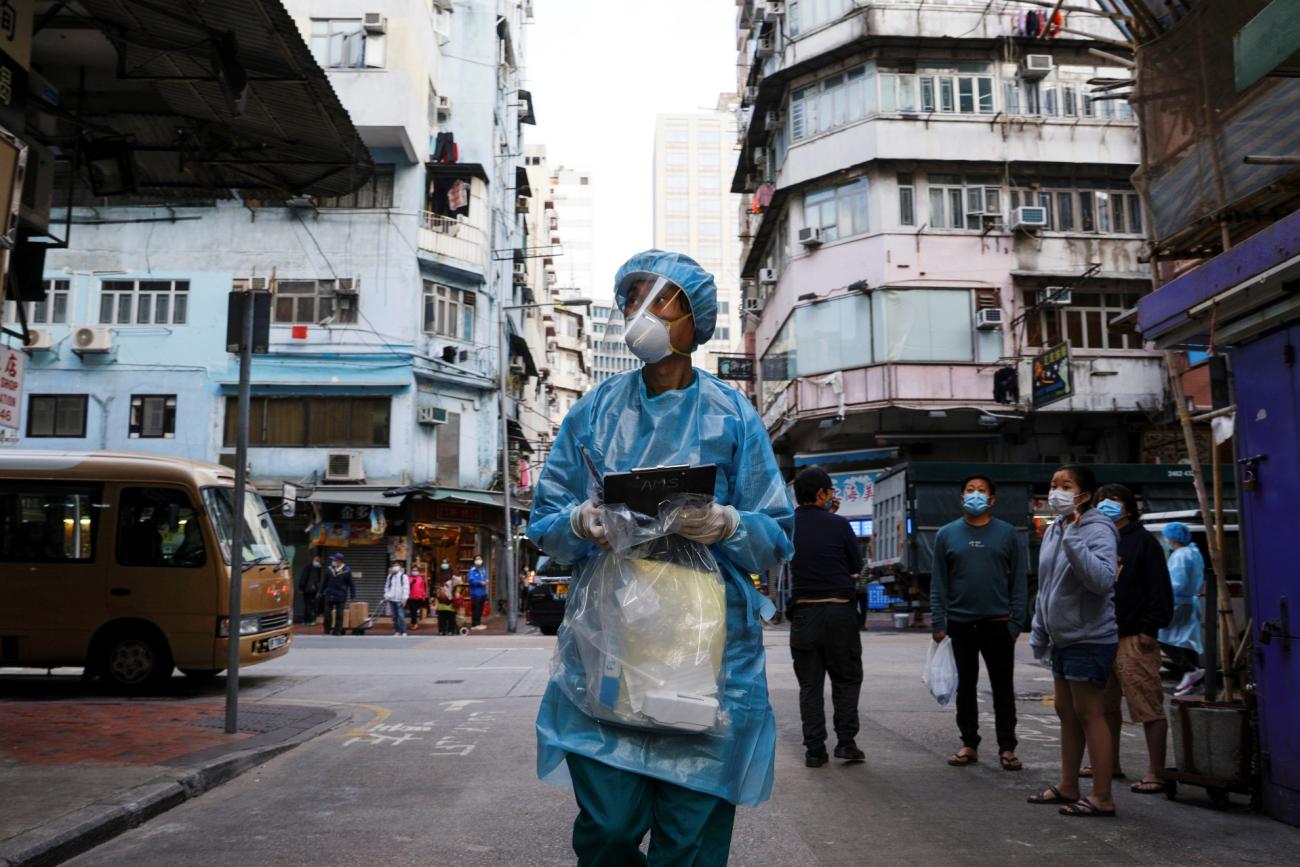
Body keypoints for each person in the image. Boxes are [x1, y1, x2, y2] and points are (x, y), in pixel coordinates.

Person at [528, 250, 794, 865]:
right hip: (611, 632)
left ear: (694, 318)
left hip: (706, 641)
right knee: (610, 823)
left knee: (691, 829)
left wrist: (724, 522)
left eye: (659, 299)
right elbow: (546, 516)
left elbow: (775, 531)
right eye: (631, 298)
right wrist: (582, 520)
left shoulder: (732, 414)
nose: (638, 312)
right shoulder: (592, 410)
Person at [1027, 464, 1120, 818]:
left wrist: (1075, 539)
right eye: (1053, 484)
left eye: (1066, 485)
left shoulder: (1096, 528)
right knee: (1066, 712)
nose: (1057, 491)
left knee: (1089, 713)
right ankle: (1068, 784)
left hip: (1090, 636)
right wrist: (1040, 628)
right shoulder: (1056, 528)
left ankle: (1102, 795)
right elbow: (1047, 583)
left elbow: (1101, 580)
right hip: (1062, 637)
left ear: (1085, 494)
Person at [930, 475, 1027, 772]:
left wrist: (1015, 623)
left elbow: (1019, 581)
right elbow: (939, 582)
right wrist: (938, 619)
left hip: (998, 624)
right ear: (961, 498)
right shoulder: (946, 535)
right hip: (960, 623)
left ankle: (1007, 748)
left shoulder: (1008, 534)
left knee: (1002, 688)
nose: (976, 495)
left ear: (992, 499)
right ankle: (969, 743)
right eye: (970, 491)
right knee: (966, 687)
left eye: (981, 491)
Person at [1084, 484, 1174, 794]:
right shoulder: (1096, 538)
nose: (1107, 505)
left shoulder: (1143, 541)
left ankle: (1156, 771)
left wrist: (1151, 628)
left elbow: (1159, 589)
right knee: (1104, 707)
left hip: (1135, 637)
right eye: (1101, 500)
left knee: (1147, 705)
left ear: (1129, 507)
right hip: (1100, 635)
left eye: (1115, 500)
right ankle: (1109, 763)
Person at [787, 466, 866, 768]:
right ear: (822, 494)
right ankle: (846, 743)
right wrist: (833, 517)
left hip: (804, 614)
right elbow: (854, 565)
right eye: (830, 491)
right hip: (838, 611)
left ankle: (814, 750)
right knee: (846, 679)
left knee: (810, 685)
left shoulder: (788, 526)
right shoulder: (839, 524)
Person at [1158, 522, 1205, 695]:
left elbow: (1176, 582)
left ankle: (1190, 669)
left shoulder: (1180, 556)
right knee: (1185, 640)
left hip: (1177, 602)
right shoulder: (1194, 552)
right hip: (1188, 602)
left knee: (1162, 636)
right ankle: (1194, 678)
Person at [320, 553, 357, 636]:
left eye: (334, 560)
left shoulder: (346, 571)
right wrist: (320, 592)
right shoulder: (329, 569)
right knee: (327, 613)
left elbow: (351, 584)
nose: (333, 562)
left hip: (341, 595)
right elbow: (324, 581)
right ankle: (327, 630)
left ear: (339, 561)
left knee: (339, 614)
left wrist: (353, 595)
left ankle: (337, 631)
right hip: (329, 594)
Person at [383, 562, 409, 637]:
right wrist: (387, 595)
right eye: (394, 566)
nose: (395, 567)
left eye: (397, 566)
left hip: (400, 600)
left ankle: (403, 631)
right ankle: (397, 631)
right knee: (394, 617)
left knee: (401, 616)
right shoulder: (390, 576)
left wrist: (404, 598)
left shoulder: (403, 576)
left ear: (400, 568)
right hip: (392, 600)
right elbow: (387, 587)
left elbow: (406, 588)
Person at [298, 553, 324, 625]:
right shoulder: (309, 567)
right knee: (308, 605)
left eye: (318, 560)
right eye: (316, 559)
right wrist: (301, 588)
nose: (318, 561)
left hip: (313, 590)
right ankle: (308, 620)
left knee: (310, 605)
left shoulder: (318, 568)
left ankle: (309, 620)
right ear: (313, 559)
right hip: (308, 590)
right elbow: (304, 578)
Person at [468, 557, 489, 630]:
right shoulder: (472, 570)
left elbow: (485, 577)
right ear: (474, 561)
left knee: (480, 609)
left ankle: (478, 623)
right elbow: (471, 581)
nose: (479, 560)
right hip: (475, 593)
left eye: (480, 559)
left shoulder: (483, 570)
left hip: (482, 592)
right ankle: (475, 624)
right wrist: (480, 583)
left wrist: (486, 581)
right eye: (477, 559)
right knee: (476, 609)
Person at [407, 567, 429, 631]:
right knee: (413, 611)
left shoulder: (420, 578)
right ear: (411, 571)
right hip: (411, 597)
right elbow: (406, 587)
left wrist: (424, 595)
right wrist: (411, 583)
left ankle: (413, 623)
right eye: (413, 570)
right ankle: (415, 624)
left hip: (419, 597)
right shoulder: (408, 578)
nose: (415, 571)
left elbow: (422, 587)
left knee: (415, 611)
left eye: (416, 570)